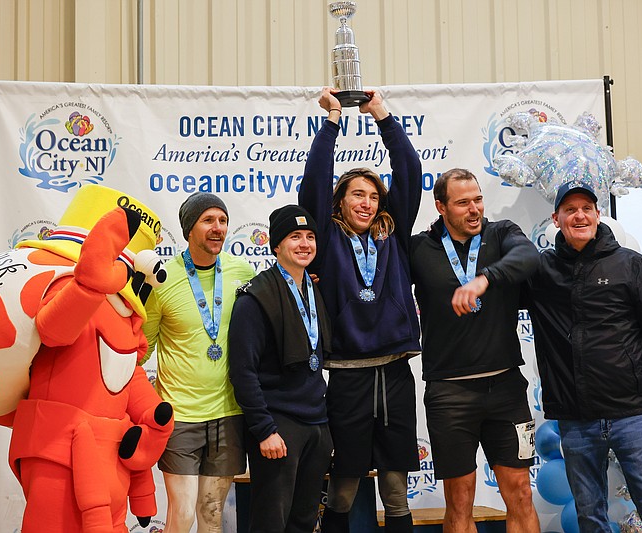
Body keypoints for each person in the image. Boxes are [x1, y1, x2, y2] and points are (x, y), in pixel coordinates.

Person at [525, 180, 642, 533]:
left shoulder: (630, 265)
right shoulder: (541, 272)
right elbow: (501, 280)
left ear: (599, 215)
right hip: (574, 420)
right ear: (556, 219)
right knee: (590, 518)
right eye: (570, 210)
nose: (580, 215)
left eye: (587, 208)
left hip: (631, 415)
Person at [299, 88, 422, 532]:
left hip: (393, 371)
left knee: (395, 486)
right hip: (348, 372)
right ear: (339, 202)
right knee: (345, 485)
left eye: (373, 195)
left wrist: (382, 116)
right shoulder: (325, 240)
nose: (366, 202)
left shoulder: (396, 237)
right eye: (356, 195)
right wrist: (333, 120)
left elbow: (409, 169)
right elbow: (315, 180)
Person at [410, 168, 541, 533]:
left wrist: (485, 278)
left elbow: (529, 257)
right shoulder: (420, 248)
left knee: (520, 494)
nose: (474, 209)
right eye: (463, 202)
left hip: (506, 389)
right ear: (441, 207)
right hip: (449, 393)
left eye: (478, 199)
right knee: (460, 500)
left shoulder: (502, 234)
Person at [142, 192, 256, 533]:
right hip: (179, 416)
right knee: (183, 513)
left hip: (229, 413)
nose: (218, 228)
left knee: (210, 513)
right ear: (189, 228)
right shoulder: (162, 280)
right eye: (208, 220)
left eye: (222, 220)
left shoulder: (242, 272)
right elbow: (140, 349)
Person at [228, 205, 333, 532]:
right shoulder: (254, 299)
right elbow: (243, 371)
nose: (304, 244)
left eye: (310, 237)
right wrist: (264, 429)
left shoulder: (314, 289)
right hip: (279, 425)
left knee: (304, 520)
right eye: (294, 236)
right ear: (276, 245)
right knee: (271, 522)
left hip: (317, 424)